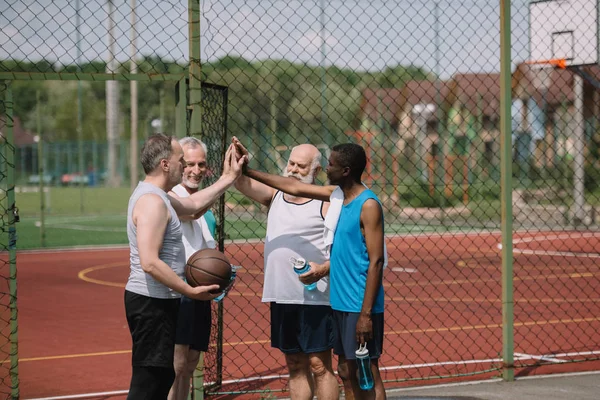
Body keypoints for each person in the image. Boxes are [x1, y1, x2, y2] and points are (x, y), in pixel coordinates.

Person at [234, 138, 386, 400]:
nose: (327, 169)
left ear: (346, 170)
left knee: (366, 370)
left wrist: (366, 314)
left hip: (355, 302)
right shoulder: (337, 196)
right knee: (347, 370)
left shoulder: (366, 204)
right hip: (339, 301)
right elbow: (291, 185)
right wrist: (246, 169)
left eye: (331, 165)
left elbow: (377, 261)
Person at [125, 133, 244, 400]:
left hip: (159, 300)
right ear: (165, 164)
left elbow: (192, 208)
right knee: (148, 382)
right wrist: (189, 292)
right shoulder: (153, 202)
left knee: (162, 375)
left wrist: (229, 177)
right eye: (181, 160)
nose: (185, 166)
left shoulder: (160, 196)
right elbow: (150, 262)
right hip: (150, 302)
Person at [234, 143, 340, 400]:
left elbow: (344, 250)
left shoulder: (326, 201)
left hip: (315, 296)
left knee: (319, 364)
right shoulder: (275, 194)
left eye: (300, 166)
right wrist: (238, 160)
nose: (293, 169)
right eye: (291, 163)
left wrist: (323, 270)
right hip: (282, 294)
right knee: (294, 364)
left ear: (315, 170)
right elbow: (239, 182)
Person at [167, 137, 220, 400]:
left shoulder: (206, 209)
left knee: (190, 362)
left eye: (201, 164)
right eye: (189, 164)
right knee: (175, 365)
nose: (196, 170)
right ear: (178, 164)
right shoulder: (170, 197)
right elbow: (192, 211)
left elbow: (210, 249)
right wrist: (229, 178)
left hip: (200, 290)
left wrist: (221, 271)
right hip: (176, 289)